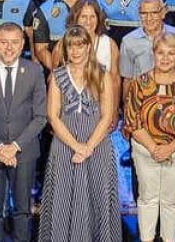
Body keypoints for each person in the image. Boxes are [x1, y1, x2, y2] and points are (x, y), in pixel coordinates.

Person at [38, 26, 122, 242]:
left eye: (80, 45)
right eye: (71, 46)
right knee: (63, 198)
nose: (75, 51)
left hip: (97, 145)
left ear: (88, 47)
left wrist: (88, 147)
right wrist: (77, 147)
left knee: (97, 197)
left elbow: (107, 116)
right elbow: (53, 116)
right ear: (65, 48)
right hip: (66, 144)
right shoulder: (57, 76)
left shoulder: (102, 75)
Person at [0, 23, 48, 242]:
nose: (9, 48)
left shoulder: (34, 71)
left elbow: (40, 116)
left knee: (22, 210)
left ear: (23, 44)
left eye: (14, 42)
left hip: (24, 153)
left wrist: (14, 147)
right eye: (4, 42)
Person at [122, 33, 175, 242]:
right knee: (147, 199)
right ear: (153, 54)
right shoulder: (140, 84)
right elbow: (132, 122)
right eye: (161, 53)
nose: (165, 58)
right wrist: (154, 148)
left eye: (171, 53)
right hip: (144, 151)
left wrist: (169, 149)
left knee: (171, 201)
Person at [119, 0, 175, 81]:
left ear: (163, 12)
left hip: (174, 92)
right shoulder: (128, 41)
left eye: (154, 12)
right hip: (141, 93)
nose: (149, 18)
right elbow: (127, 80)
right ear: (139, 14)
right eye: (144, 13)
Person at [33, 0, 86, 69]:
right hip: (58, 71)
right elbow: (40, 49)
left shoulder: (94, 8)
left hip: (90, 72)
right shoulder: (44, 10)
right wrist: (58, 72)